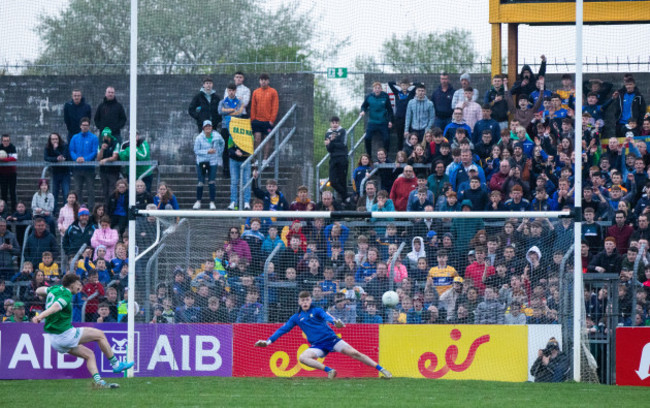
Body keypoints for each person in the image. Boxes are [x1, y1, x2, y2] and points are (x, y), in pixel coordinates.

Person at [255, 291, 392, 379]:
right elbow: (282, 330)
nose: (305, 302)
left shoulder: (317, 310)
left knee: (355, 353)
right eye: (302, 300)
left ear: (310, 300)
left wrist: (335, 322)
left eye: (307, 300)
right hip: (318, 345)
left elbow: (327, 316)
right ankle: (329, 371)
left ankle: (382, 370)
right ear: (299, 302)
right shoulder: (296, 317)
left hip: (332, 340)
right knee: (303, 357)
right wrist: (268, 342)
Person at [31, 273, 134, 388]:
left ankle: (99, 382)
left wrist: (40, 293)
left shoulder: (55, 288)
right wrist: (40, 317)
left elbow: (40, 290)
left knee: (89, 354)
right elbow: (55, 307)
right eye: (78, 284)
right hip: (65, 335)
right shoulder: (66, 295)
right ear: (72, 284)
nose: (80, 287)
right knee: (100, 334)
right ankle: (116, 364)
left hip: (55, 340)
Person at [193, 120, 225, 210]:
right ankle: (198, 201)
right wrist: (207, 151)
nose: (208, 128)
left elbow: (223, 143)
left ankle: (212, 202)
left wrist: (218, 153)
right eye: (206, 126)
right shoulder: (199, 138)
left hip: (213, 161)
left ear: (212, 127)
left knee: (212, 181)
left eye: (209, 126)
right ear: (203, 128)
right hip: (202, 162)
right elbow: (196, 151)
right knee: (201, 181)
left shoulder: (217, 135)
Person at [69, 117, 98, 209]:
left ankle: (91, 209)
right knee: (77, 190)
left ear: (89, 126)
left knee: (91, 190)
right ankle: (79, 208)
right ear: (80, 126)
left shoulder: (94, 138)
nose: (85, 127)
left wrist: (85, 159)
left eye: (86, 125)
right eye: (83, 125)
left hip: (89, 169)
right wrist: (76, 158)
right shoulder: (75, 137)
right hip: (77, 169)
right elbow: (71, 150)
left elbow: (94, 151)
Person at [250, 73, 279, 162]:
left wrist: (271, 120)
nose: (263, 82)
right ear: (259, 81)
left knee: (267, 139)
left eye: (265, 80)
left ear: (268, 81)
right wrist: (253, 118)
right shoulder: (256, 92)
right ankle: (256, 159)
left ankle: (265, 159)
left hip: (268, 121)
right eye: (262, 80)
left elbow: (275, 106)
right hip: (257, 120)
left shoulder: (273, 91)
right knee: (257, 138)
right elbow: (253, 106)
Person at [218, 82, 244, 177]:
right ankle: (226, 170)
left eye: (233, 90)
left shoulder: (239, 102)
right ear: (227, 91)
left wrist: (227, 112)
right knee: (225, 149)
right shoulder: (222, 102)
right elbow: (220, 111)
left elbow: (239, 113)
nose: (231, 92)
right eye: (229, 90)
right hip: (225, 128)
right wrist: (232, 110)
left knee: (234, 149)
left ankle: (234, 171)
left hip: (236, 128)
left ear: (235, 91)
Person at [360, 81, 393, 156]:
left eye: (379, 88)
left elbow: (390, 110)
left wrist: (390, 121)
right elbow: (363, 106)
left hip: (383, 122)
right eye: (376, 88)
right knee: (367, 138)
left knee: (387, 139)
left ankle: (385, 156)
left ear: (381, 89)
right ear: (373, 89)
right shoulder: (369, 97)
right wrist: (362, 111)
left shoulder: (385, 96)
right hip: (372, 122)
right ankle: (369, 156)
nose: (377, 89)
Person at [44, 132, 72, 212]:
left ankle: (67, 212)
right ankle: (53, 212)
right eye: (53, 139)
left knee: (66, 193)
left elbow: (65, 157)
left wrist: (56, 150)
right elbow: (46, 158)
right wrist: (56, 159)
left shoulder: (64, 146)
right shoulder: (48, 148)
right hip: (54, 173)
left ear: (59, 139)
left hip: (65, 172)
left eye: (56, 139)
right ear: (50, 140)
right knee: (54, 194)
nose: (54, 141)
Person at [325, 116, 349, 201]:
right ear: (330, 123)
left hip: (342, 158)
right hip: (333, 159)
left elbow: (343, 145)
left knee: (342, 180)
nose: (335, 124)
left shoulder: (343, 131)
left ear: (339, 123)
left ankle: (345, 201)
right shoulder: (328, 133)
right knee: (332, 181)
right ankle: (346, 196)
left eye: (336, 123)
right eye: (333, 123)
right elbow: (329, 149)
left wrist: (332, 141)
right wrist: (332, 142)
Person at [97, 127, 121, 204]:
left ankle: (112, 208)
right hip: (103, 171)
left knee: (112, 191)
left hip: (113, 171)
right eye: (104, 137)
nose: (106, 138)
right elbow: (98, 158)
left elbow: (115, 157)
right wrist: (102, 149)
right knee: (105, 191)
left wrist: (106, 160)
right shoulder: (101, 143)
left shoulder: (115, 143)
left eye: (107, 137)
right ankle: (106, 208)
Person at [0, 134, 18, 212]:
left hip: (12, 173)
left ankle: (14, 211)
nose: (6, 142)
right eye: (4, 141)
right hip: (2, 174)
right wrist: (8, 159)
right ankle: (4, 211)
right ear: (2, 141)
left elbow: (14, 158)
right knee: (3, 193)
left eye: (7, 141)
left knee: (12, 193)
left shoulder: (12, 147)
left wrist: (4, 159)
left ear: (9, 141)